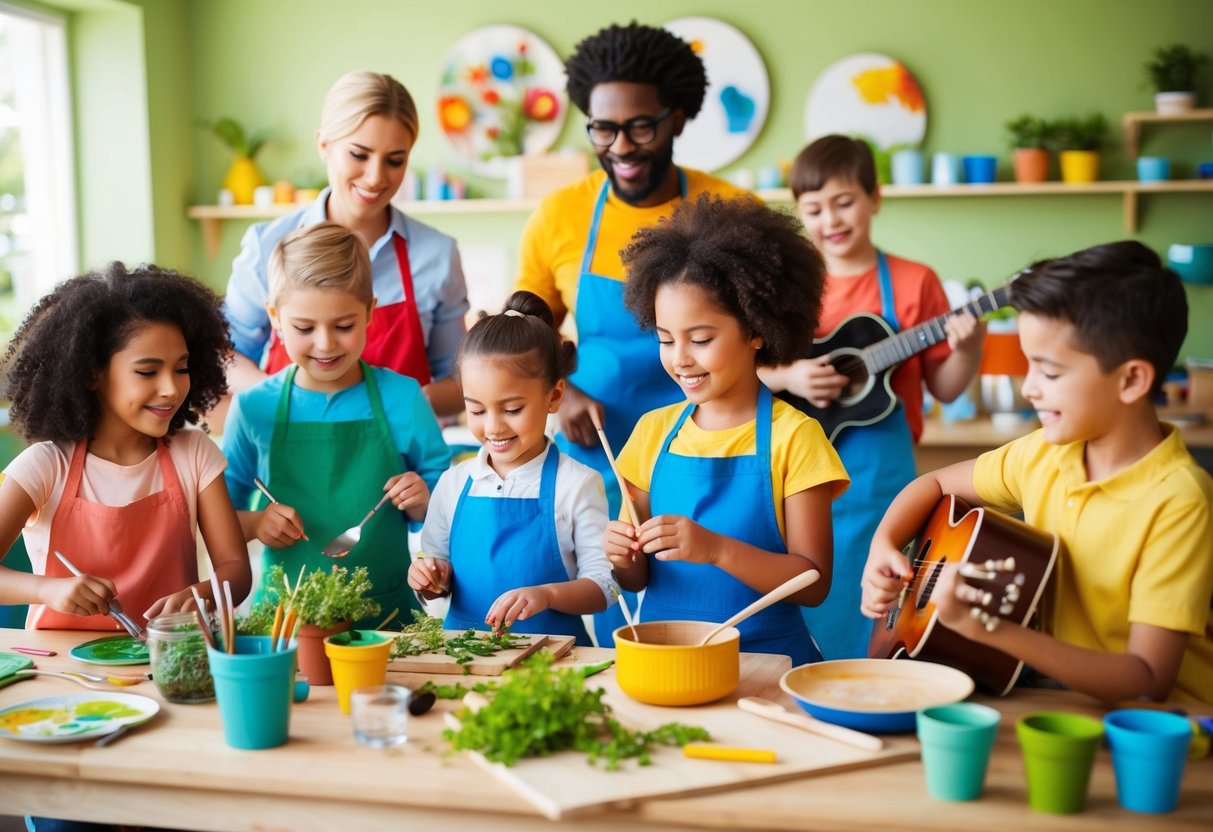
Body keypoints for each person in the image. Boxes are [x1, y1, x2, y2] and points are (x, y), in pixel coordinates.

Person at [861, 241, 1213, 705]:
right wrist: (884, 544)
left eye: (1048, 372)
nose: (1028, 388)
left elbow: (1148, 677)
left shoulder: (1179, 499)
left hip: (1166, 731)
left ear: (1130, 380)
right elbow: (935, 483)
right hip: (1062, 700)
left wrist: (991, 629)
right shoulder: (1047, 454)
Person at [514, 21, 746, 646]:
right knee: (610, 624)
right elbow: (524, 332)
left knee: (709, 610)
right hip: (601, 458)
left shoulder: (731, 210)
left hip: (711, 456)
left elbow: (768, 334)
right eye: (604, 128)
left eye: (641, 126)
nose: (623, 145)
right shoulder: (560, 215)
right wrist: (560, 382)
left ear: (676, 118)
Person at [760, 135, 984, 660]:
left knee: (885, 598)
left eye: (844, 202)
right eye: (813, 208)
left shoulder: (914, 281)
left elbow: (945, 387)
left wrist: (969, 350)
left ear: (874, 198)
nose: (831, 220)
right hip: (797, 468)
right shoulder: (786, 285)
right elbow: (745, 371)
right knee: (807, 587)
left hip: (884, 480)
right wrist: (791, 377)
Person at [605, 196, 849, 665]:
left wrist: (715, 549)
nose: (680, 358)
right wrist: (621, 556)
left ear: (756, 329)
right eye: (665, 338)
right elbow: (636, 579)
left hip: (769, 663)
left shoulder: (794, 437)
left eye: (701, 339)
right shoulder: (650, 433)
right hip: (668, 660)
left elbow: (813, 583)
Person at [0, 263, 251, 630]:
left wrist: (204, 593)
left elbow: (235, 569)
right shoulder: (45, 465)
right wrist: (48, 590)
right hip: (60, 667)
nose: (170, 388)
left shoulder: (194, 454)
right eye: (148, 372)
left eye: (181, 368)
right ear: (91, 374)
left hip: (165, 663)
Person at [222, 222, 448, 625]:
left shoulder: (404, 398)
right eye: (304, 328)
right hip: (283, 625)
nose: (325, 344)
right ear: (275, 317)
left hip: (386, 620)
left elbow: (449, 507)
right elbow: (217, 520)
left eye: (343, 326)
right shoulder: (254, 407)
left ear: (369, 313)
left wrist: (424, 498)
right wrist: (256, 523)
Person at [221, 70, 469, 425]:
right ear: (324, 146)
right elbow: (226, 355)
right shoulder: (268, 245)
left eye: (395, 160)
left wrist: (411, 402)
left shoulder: (437, 255)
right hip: (290, 455)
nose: (375, 177)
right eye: (359, 154)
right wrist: (283, 400)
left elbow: (458, 379)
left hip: (397, 469)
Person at [410, 291, 616, 646]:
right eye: (476, 410)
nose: (493, 427)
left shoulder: (576, 485)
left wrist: (548, 595)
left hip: (554, 664)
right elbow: (436, 578)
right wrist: (429, 579)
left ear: (554, 396)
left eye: (512, 409)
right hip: (464, 657)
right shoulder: (453, 483)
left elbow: (606, 587)